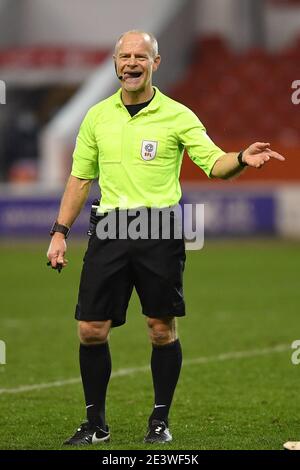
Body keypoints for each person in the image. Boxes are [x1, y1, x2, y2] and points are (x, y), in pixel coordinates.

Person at [47, 30, 285, 446]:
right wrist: (60, 232)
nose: (132, 63)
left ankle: (159, 419)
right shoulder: (96, 117)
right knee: (90, 329)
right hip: (110, 229)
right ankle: (95, 424)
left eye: (142, 56)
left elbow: (214, 163)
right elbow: (81, 178)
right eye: (125, 56)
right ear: (116, 62)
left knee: (160, 328)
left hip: (160, 230)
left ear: (155, 63)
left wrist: (242, 159)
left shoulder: (179, 115)